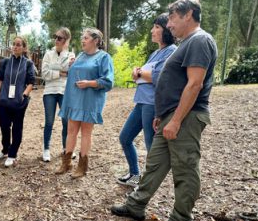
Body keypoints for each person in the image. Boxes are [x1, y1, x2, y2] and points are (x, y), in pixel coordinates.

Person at [111, 0, 217, 221]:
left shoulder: (200, 40)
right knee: (155, 164)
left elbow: (194, 84)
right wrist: (162, 115)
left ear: (188, 14)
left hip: (187, 117)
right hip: (170, 116)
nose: (168, 24)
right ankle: (136, 205)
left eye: (171, 17)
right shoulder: (186, 43)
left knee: (185, 169)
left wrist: (177, 119)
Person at [116, 13, 177, 187]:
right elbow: (145, 74)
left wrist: (141, 72)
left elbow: (160, 76)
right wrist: (138, 72)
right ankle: (135, 175)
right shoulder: (155, 53)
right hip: (141, 102)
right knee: (125, 138)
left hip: (152, 104)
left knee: (151, 147)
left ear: (166, 30)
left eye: (157, 27)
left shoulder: (171, 51)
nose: (153, 30)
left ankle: (148, 186)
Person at [55, 28, 114, 178]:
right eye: (83, 38)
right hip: (74, 98)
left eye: (86, 38)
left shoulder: (104, 57)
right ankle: (66, 163)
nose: (83, 40)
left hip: (90, 100)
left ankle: (82, 167)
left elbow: (108, 82)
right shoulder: (80, 56)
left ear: (95, 41)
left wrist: (90, 83)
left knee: (86, 133)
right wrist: (72, 65)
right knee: (71, 131)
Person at [0, 36, 35, 167]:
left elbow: (31, 82)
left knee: (17, 127)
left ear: (23, 48)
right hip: (4, 100)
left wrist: (25, 94)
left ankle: (12, 154)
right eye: (14, 44)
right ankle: (5, 148)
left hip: (19, 101)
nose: (15, 47)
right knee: (4, 125)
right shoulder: (5, 62)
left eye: (18, 45)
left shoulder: (28, 63)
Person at [41, 27, 76, 162]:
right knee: (49, 122)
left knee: (66, 121)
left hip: (64, 92)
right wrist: (61, 73)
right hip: (49, 92)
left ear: (66, 40)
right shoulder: (48, 54)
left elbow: (71, 72)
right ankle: (46, 149)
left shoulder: (71, 55)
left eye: (60, 38)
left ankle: (66, 148)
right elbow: (44, 74)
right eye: (55, 37)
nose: (56, 40)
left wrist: (54, 69)